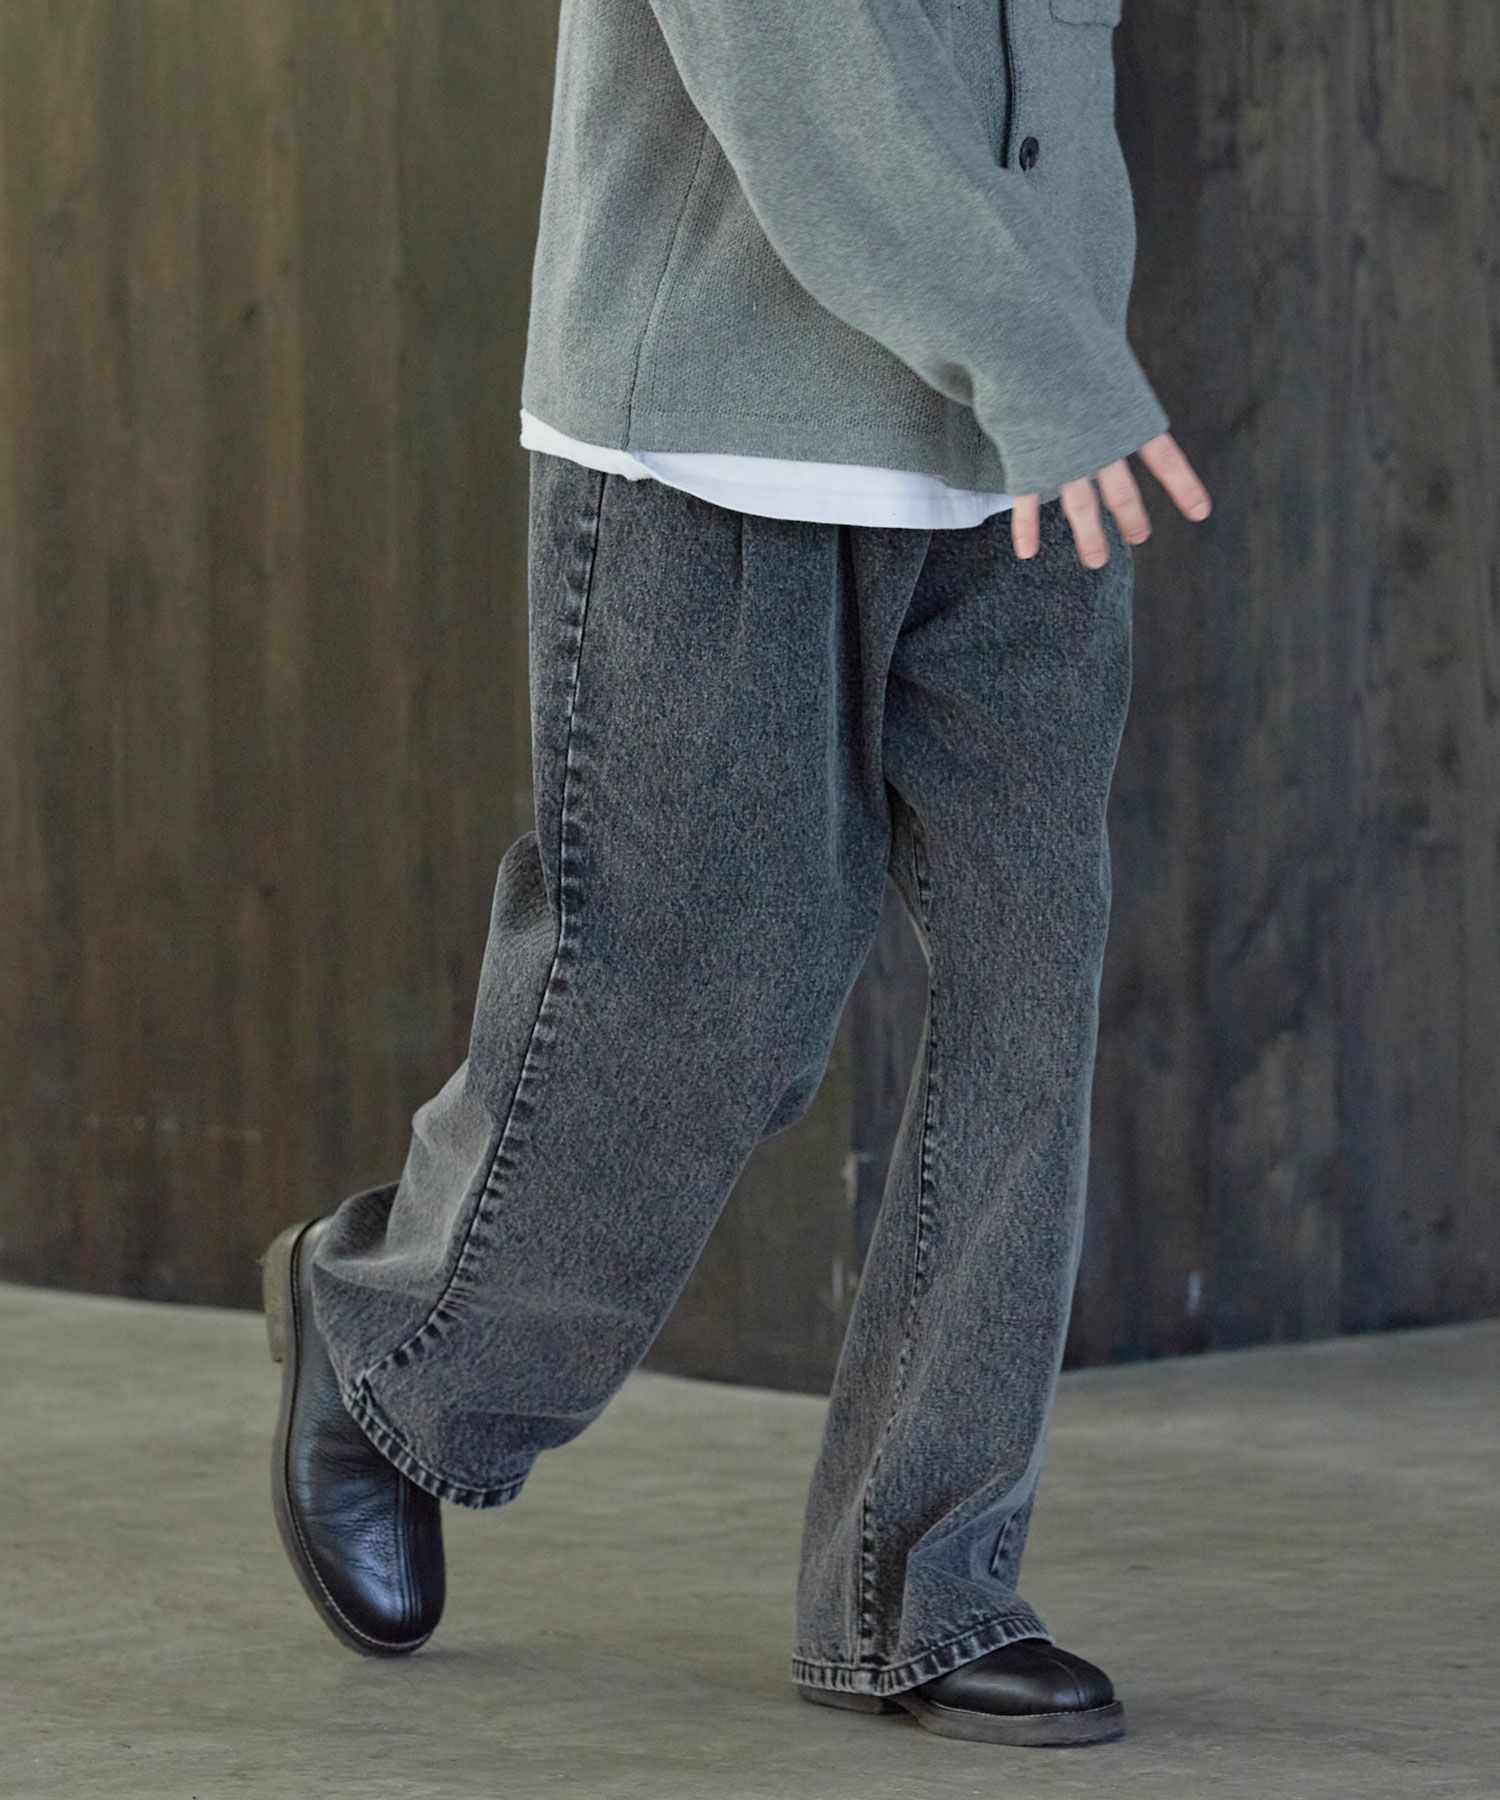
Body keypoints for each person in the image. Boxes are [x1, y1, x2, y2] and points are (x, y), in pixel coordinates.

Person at [261, 0, 1210, 1750]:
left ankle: (924, 1583)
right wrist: (1050, 361)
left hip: (1029, 447)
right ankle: (396, 1342)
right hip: (724, 428)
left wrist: (1062, 339)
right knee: (706, 997)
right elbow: (810, 73)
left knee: (1028, 995)